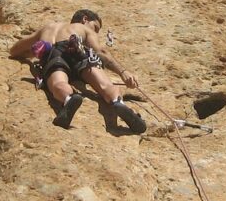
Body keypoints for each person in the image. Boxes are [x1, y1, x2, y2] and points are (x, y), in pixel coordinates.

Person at [9, 9, 146, 133]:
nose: (96, 32)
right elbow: (100, 51)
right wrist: (122, 72)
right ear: (85, 19)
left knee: (58, 83)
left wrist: (30, 55)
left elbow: (15, 50)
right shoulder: (80, 27)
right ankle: (118, 103)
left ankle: (68, 99)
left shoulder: (48, 28)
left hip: (53, 54)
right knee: (106, 85)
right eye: (95, 28)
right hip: (79, 51)